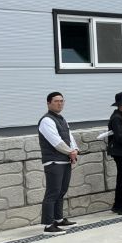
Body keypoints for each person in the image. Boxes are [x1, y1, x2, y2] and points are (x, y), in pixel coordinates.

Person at [38, 92, 79, 235]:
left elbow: (69, 137)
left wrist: (75, 149)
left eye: (62, 101)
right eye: (56, 101)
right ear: (48, 103)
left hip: (64, 160)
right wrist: (70, 152)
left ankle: (58, 219)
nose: (60, 103)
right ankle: (48, 225)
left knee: (61, 191)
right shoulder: (46, 120)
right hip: (53, 161)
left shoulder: (62, 119)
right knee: (53, 192)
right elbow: (56, 141)